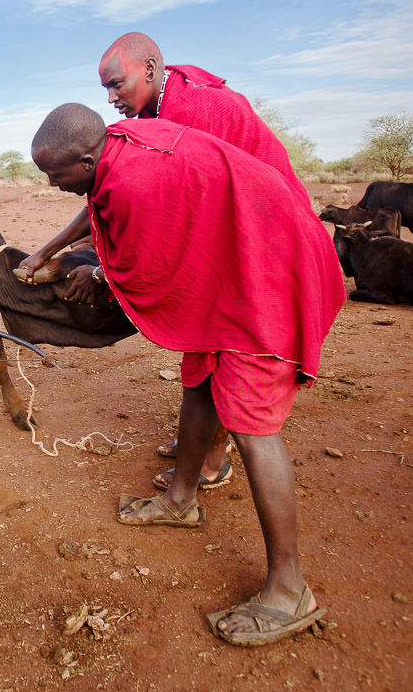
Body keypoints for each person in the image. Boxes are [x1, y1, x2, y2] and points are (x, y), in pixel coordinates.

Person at [31, 103, 344, 646]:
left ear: (85, 159)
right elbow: (97, 202)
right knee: (198, 374)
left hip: (264, 274)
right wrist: (48, 249)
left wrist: (98, 272)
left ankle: (291, 590)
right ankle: (180, 499)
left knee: (252, 428)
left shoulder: (134, 184)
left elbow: (145, 269)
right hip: (232, 266)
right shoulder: (119, 141)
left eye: (56, 174)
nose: (52, 184)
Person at [19, 32, 315, 489]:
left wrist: (101, 273)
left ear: (152, 70)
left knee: (228, 351)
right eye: (106, 89)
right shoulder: (148, 120)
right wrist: (47, 250)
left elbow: (170, 216)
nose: (112, 97)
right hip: (228, 240)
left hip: (262, 241)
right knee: (203, 353)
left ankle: (215, 454)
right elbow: (105, 187)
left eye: (118, 84)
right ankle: (199, 444)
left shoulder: (191, 115)